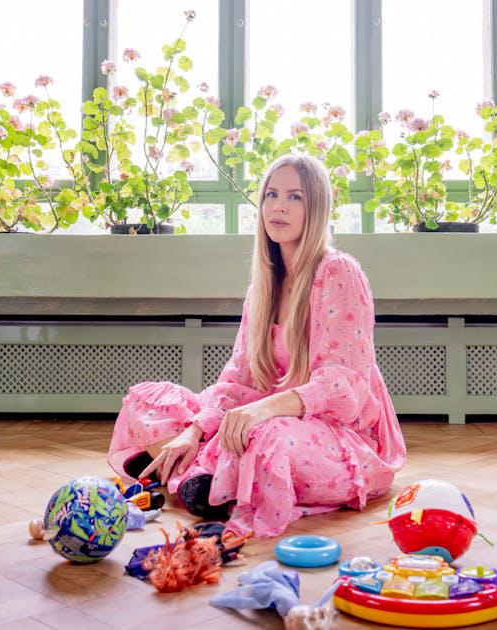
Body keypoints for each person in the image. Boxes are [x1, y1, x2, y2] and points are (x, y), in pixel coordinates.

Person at [106, 154, 406, 537]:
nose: (279, 207)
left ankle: (204, 474)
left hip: (338, 432)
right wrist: (194, 431)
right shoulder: (262, 288)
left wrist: (260, 411)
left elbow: (342, 386)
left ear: (316, 208)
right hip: (267, 411)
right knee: (149, 403)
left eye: (295, 197)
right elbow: (238, 378)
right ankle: (207, 468)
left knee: (267, 436)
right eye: (271, 195)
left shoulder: (338, 271)